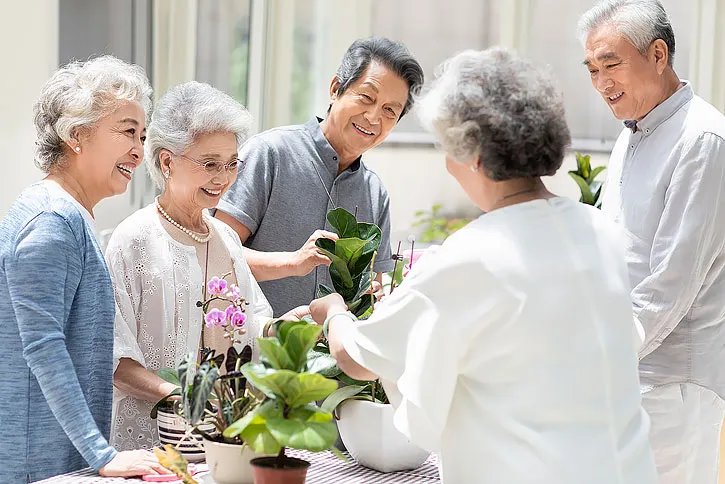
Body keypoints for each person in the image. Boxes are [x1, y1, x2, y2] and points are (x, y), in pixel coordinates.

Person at [309, 48, 658, 484]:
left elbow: (360, 359)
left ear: (472, 153)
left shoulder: (470, 258)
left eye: (446, 146)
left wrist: (335, 312)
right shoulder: (598, 230)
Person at [107, 82, 310, 451]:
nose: (224, 178)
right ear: (167, 162)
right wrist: (187, 398)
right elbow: (115, 359)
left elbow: (251, 327)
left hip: (224, 437)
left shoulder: (226, 240)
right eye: (210, 164)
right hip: (153, 446)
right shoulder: (134, 239)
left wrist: (284, 326)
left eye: (232, 164)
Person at [0, 56, 166, 482]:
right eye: (129, 131)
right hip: (34, 465)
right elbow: (43, 347)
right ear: (77, 135)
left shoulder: (67, 215)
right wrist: (103, 455)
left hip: (57, 458)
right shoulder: (52, 222)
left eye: (143, 135)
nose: (139, 149)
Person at [578, 2, 725, 482]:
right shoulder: (632, 134)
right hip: (623, 374)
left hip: (671, 387)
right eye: (593, 70)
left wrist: (595, 355)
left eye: (611, 64)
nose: (601, 83)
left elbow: (670, 284)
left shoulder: (702, 140)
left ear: (658, 54)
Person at [215, 36, 424, 316]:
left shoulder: (376, 194)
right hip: (254, 349)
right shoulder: (270, 153)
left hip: (334, 355)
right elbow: (216, 254)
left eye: (390, 110)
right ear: (336, 88)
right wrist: (292, 262)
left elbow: (375, 284)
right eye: (367, 97)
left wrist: (373, 296)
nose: (374, 117)